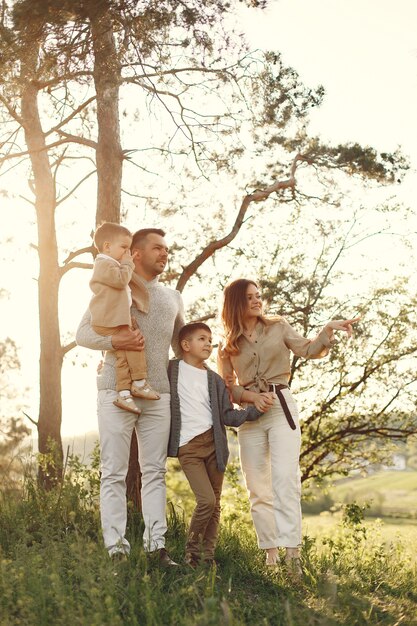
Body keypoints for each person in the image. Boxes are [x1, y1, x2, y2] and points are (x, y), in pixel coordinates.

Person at [218, 278, 359, 576]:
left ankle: (293, 555)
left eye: (258, 296)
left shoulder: (278, 326)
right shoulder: (226, 345)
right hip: (250, 417)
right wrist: (252, 397)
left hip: (282, 407)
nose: (257, 300)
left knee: (285, 480)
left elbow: (308, 349)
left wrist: (328, 329)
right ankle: (271, 556)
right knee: (257, 486)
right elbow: (228, 387)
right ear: (236, 303)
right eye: (250, 297)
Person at [76, 228, 185, 565]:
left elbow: (183, 346)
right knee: (113, 472)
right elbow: (83, 334)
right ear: (136, 254)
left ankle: (157, 550)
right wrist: (114, 343)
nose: (164, 253)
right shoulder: (114, 286)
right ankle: (117, 552)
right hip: (114, 389)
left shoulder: (173, 297)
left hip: (158, 394)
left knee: (154, 472)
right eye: (157, 248)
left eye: (167, 249)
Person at [167, 322, 267, 568]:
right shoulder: (170, 369)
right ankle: (191, 554)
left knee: (215, 506)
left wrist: (253, 411)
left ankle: (207, 557)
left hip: (215, 446)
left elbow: (226, 414)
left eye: (210, 340)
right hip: (187, 447)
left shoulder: (214, 379)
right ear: (185, 345)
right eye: (202, 339)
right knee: (206, 501)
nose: (208, 344)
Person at [89, 222, 159, 415]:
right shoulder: (103, 263)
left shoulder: (111, 264)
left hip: (114, 318)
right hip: (110, 319)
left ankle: (124, 394)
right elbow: (121, 280)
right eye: (124, 248)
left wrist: (128, 260)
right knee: (135, 345)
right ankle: (139, 382)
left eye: (130, 249)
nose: (127, 253)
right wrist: (129, 263)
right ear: (107, 247)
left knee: (123, 356)